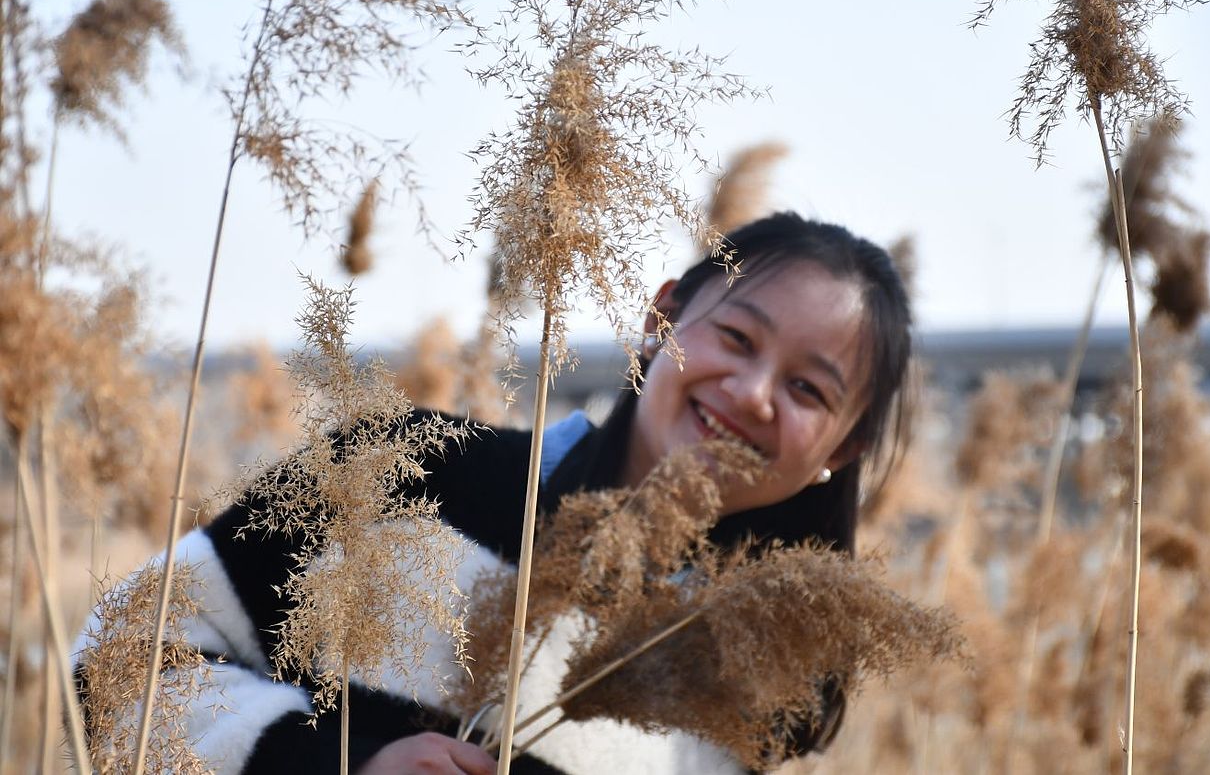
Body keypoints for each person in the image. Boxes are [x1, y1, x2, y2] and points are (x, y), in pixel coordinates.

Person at [75, 211, 912, 774]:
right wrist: (344, 760)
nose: (756, 392)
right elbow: (115, 659)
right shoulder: (406, 469)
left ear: (848, 445)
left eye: (810, 391)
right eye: (737, 336)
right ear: (660, 323)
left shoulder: (740, 677)